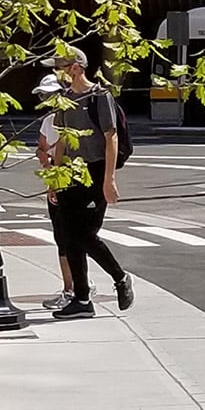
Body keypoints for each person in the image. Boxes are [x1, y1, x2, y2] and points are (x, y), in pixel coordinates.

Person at [44, 52, 135, 320]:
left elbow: (111, 137)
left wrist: (109, 180)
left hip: (94, 171)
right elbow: (62, 139)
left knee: (84, 234)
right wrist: (55, 178)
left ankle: (120, 277)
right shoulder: (64, 100)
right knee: (69, 235)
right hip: (70, 173)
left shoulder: (99, 97)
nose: (56, 73)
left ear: (74, 68)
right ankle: (82, 299)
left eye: (59, 68)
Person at [29, 74, 81, 310]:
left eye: (50, 95)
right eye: (43, 96)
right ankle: (72, 286)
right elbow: (41, 149)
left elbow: (65, 154)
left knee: (72, 238)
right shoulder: (48, 121)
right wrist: (45, 159)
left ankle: (75, 288)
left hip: (69, 184)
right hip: (55, 182)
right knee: (62, 238)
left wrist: (54, 183)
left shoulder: (72, 120)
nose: (46, 100)